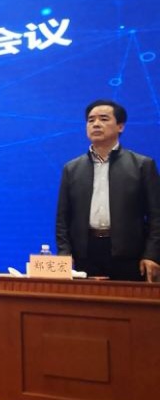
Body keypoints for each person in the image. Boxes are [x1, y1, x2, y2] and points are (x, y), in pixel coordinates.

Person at [56, 100, 160, 282]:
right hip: (85, 254)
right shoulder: (72, 168)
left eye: (104, 119)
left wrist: (152, 255)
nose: (96, 124)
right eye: (91, 120)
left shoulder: (142, 165)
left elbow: (156, 216)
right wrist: (64, 254)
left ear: (120, 126)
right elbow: (63, 218)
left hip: (129, 256)